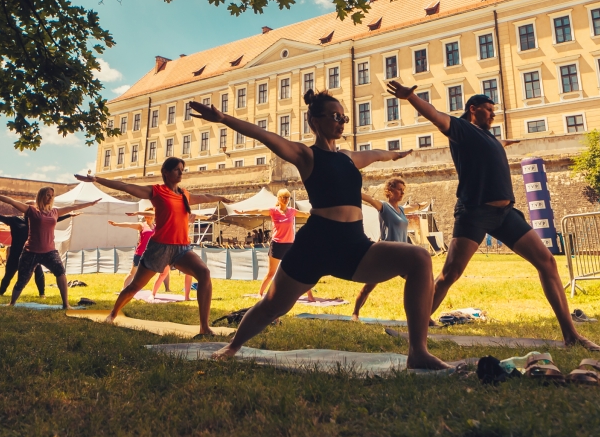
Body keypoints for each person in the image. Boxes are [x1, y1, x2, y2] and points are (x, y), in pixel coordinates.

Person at [191, 90, 448, 369]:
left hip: (353, 246)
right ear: (314, 120)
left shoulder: (349, 157)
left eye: (344, 117)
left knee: (419, 259)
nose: (342, 122)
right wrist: (222, 118)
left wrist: (395, 154)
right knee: (272, 306)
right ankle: (233, 345)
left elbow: (374, 154)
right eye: (336, 116)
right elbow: (263, 135)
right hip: (315, 244)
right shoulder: (306, 155)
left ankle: (418, 353)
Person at [386, 81, 600, 350]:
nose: (493, 114)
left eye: (494, 110)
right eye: (489, 110)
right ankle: (419, 324)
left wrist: (505, 143)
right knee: (450, 273)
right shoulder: (462, 130)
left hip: (505, 213)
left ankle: (571, 335)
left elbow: (491, 148)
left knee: (547, 262)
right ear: (473, 109)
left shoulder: (489, 136)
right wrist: (412, 98)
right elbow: (436, 115)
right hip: (475, 212)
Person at [74, 157, 229, 335]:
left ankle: (204, 327)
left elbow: (205, 196)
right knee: (134, 287)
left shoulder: (184, 194)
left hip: (182, 248)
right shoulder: (156, 191)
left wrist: (221, 197)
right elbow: (124, 186)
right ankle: (113, 313)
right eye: (177, 169)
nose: (181, 173)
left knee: (204, 273)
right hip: (159, 247)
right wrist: (96, 179)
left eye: (182, 170)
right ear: (166, 172)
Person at [0, 186, 95, 309]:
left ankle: (66, 304)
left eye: (52, 195)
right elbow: (11, 201)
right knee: (22, 280)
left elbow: (74, 207)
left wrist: (91, 203)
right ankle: (12, 303)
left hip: (50, 251)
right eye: (47, 195)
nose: (50, 197)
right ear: (41, 196)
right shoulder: (32, 211)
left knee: (60, 273)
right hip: (31, 251)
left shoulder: (55, 212)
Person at [352, 178, 420, 319]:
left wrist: (419, 205)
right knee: (368, 288)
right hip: (387, 254)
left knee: (420, 282)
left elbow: (411, 207)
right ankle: (355, 313)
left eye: (403, 190)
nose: (402, 193)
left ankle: (425, 316)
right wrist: (349, 190)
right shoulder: (384, 207)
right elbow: (370, 200)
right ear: (389, 191)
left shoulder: (401, 209)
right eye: (399, 189)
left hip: (403, 254)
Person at [0, 204, 79, 298]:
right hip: (16, 253)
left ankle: (42, 294)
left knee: (38, 272)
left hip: (31, 252)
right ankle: (0, 292)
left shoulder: (37, 220)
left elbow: (54, 219)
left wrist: (69, 215)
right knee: (9, 274)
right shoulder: (15, 220)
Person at [233, 189, 316, 300]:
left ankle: (310, 296)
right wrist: (243, 212)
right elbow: (258, 210)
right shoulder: (273, 211)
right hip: (277, 245)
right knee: (271, 273)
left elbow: (306, 214)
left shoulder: (292, 211)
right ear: (279, 198)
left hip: (290, 245)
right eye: (284, 197)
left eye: (288, 197)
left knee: (298, 270)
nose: (286, 200)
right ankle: (260, 293)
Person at [108, 212, 172, 296]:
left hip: (153, 254)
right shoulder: (142, 225)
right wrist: (116, 224)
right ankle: (123, 290)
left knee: (165, 269)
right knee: (132, 273)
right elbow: (129, 224)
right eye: (146, 216)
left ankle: (167, 288)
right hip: (140, 253)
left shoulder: (157, 227)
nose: (147, 218)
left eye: (149, 216)